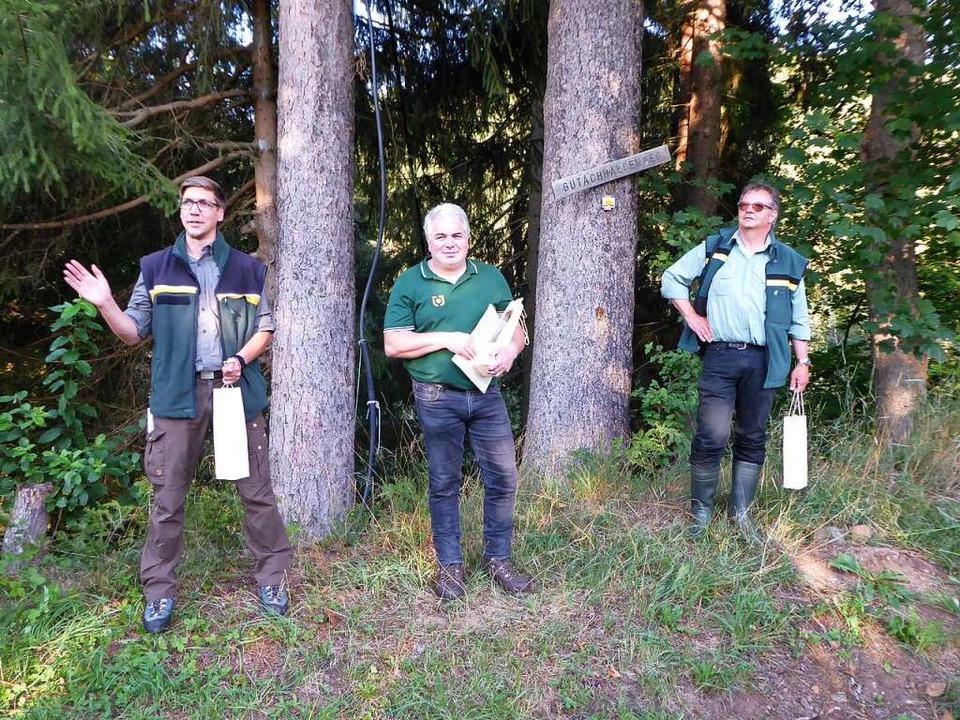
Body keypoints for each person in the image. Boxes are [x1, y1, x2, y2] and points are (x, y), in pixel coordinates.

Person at [63, 176, 293, 633]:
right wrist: (105, 303)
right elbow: (132, 332)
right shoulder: (155, 268)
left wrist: (239, 359)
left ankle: (272, 579)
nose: (194, 210)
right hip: (176, 397)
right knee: (168, 499)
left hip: (234, 394)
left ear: (220, 212)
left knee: (257, 494)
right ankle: (159, 592)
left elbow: (264, 328)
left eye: (204, 203)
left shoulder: (246, 269)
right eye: (188, 202)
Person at [383, 203, 535, 600]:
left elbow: (515, 327)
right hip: (437, 397)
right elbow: (393, 343)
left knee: (503, 478)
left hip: (487, 394)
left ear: (468, 239)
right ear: (429, 241)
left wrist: (511, 352)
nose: (449, 243)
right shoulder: (411, 283)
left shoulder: (490, 277)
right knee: (444, 482)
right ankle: (450, 567)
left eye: (456, 235)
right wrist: (447, 338)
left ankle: (498, 560)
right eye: (440, 236)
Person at [661, 181, 811, 539]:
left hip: (765, 360)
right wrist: (692, 317)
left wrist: (802, 362)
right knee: (711, 435)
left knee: (752, 435)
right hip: (720, 355)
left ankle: (740, 515)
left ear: (772, 215)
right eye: (744, 205)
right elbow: (672, 278)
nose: (748, 210)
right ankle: (700, 514)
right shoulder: (716, 247)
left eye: (758, 206)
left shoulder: (789, 261)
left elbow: (799, 318)